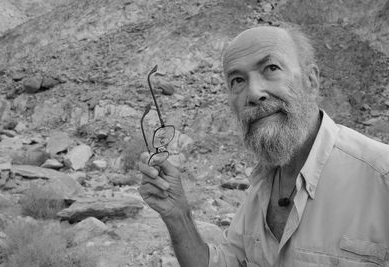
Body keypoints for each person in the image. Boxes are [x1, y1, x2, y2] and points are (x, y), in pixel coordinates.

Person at [138, 25, 389, 267]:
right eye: (237, 80)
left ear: (311, 81)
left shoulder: (380, 176)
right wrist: (178, 215)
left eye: (271, 68)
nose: (254, 92)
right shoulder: (262, 185)